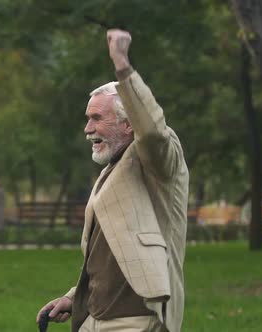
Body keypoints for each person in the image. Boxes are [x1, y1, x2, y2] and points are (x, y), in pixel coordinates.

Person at [36, 29, 189, 332]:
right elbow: (108, 255)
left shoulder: (159, 161)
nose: (87, 129)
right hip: (94, 319)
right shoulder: (112, 168)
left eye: (97, 118)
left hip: (136, 320)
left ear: (129, 124)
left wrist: (123, 68)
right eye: (87, 118)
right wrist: (73, 297)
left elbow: (153, 131)